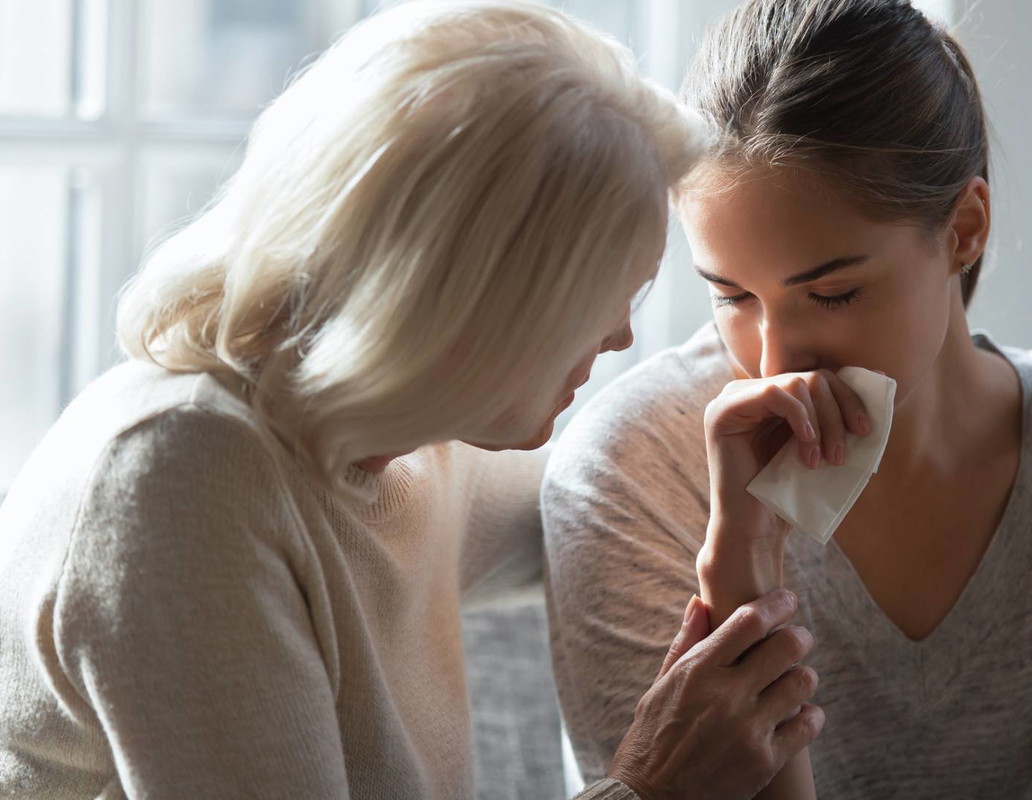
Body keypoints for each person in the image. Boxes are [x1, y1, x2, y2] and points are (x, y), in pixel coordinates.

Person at [0, 3, 835, 798]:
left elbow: (599, 495)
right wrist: (652, 786)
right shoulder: (180, 480)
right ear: (459, 302)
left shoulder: (407, 446)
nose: (620, 338)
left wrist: (743, 504)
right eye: (599, 299)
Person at [542, 1, 1032, 799]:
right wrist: (742, 577)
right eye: (732, 296)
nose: (772, 362)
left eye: (833, 294)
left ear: (965, 229)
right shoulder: (634, 471)